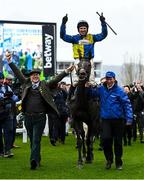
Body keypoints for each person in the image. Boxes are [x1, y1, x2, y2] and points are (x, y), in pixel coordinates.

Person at [5, 51, 74, 170]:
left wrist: (66, 71)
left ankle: (33, 161)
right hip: (28, 117)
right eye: (33, 75)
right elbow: (17, 73)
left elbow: (56, 79)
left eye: (37, 75)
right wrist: (10, 61)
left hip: (40, 117)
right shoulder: (26, 83)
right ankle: (37, 159)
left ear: (39, 76)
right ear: (30, 77)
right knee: (33, 140)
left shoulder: (44, 85)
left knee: (36, 139)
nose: (35, 76)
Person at [87, 71, 133, 170]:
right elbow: (92, 94)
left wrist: (129, 118)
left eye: (110, 79)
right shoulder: (101, 89)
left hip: (118, 120)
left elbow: (127, 105)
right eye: (107, 79)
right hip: (106, 120)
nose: (109, 81)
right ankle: (109, 160)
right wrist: (87, 86)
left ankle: (118, 162)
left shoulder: (120, 91)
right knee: (106, 140)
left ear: (114, 79)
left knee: (118, 142)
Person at [60, 13, 108, 86]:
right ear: (78, 29)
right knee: (75, 80)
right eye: (81, 28)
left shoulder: (92, 37)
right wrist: (63, 23)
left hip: (89, 60)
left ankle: (92, 84)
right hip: (78, 60)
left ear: (87, 29)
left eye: (84, 28)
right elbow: (63, 36)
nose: (83, 30)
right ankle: (73, 89)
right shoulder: (74, 38)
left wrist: (103, 22)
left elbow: (103, 34)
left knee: (91, 79)